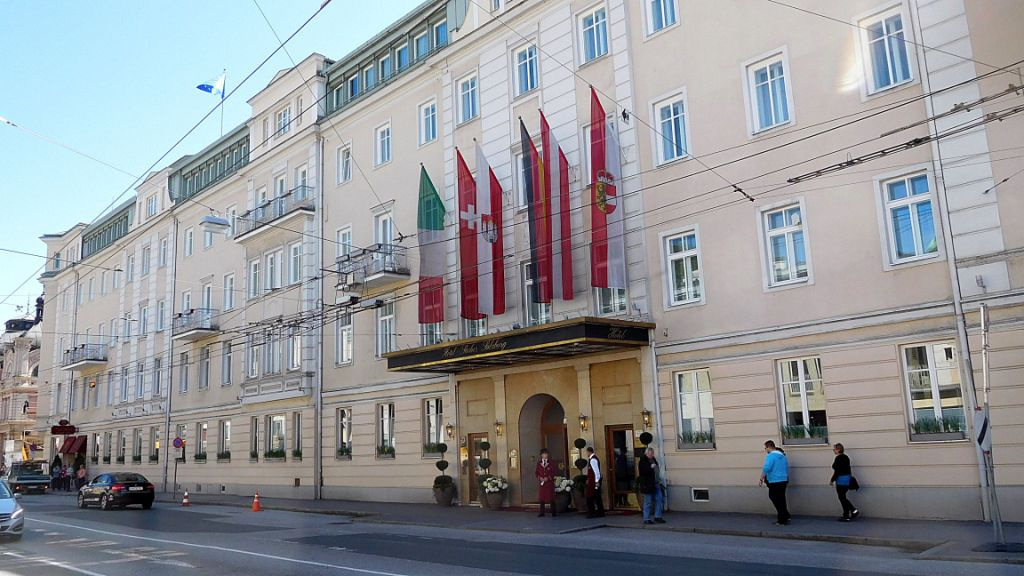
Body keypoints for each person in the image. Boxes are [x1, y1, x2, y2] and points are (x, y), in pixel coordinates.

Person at [759, 440, 790, 525]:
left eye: (766, 448)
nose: (766, 450)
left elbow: (766, 468)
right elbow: (786, 467)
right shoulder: (783, 456)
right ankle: (786, 516)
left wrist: (761, 477)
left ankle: (782, 520)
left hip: (774, 480)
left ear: (769, 447)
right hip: (783, 479)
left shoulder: (771, 456)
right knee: (782, 499)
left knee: (774, 498)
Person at [830, 443, 859, 522]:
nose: (833, 451)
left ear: (838, 449)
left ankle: (846, 516)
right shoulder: (846, 457)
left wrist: (832, 480)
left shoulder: (838, 458)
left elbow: (837, 471)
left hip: (841, 481)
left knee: (842, 498)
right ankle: (853, 511)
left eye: (834, 449)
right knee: (843, 497)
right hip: (847, 480)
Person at [637, 447, 666, 525]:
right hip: (647, 485)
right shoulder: (642, 461)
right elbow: (642, 472)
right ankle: (646, 518)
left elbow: (656, 470)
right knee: (648, 502)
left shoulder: (653, 459)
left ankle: (657, 517)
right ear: (646, 453)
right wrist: (650, 467)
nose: (652, 455)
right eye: (651, 454)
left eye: (653, 453)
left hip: (656, 483)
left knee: (659, 499)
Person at [535, 449, 556, 517]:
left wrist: (549, 477)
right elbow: (536, 472)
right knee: (542, 498)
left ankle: (553, 512)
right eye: (544, 454)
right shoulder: (539, 463)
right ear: (541, 455)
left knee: (551, 497)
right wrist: (539, 477)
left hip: (549, 483)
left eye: (546, 454)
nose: (545, 455)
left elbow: (554, 472)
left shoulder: (551, 462)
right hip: (542, 483)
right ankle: (542, 512)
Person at [585, 447, 605, 518]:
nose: (586, 453)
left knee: (590, 497)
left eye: (587, 452)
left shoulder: (593, 460)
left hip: (594, 482)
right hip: (593, 481)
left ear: (589, 452)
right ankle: (600, 512)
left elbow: (596, 472)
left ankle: (592, 512)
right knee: (597, 496)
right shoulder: (593, 459)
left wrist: (597, 482)